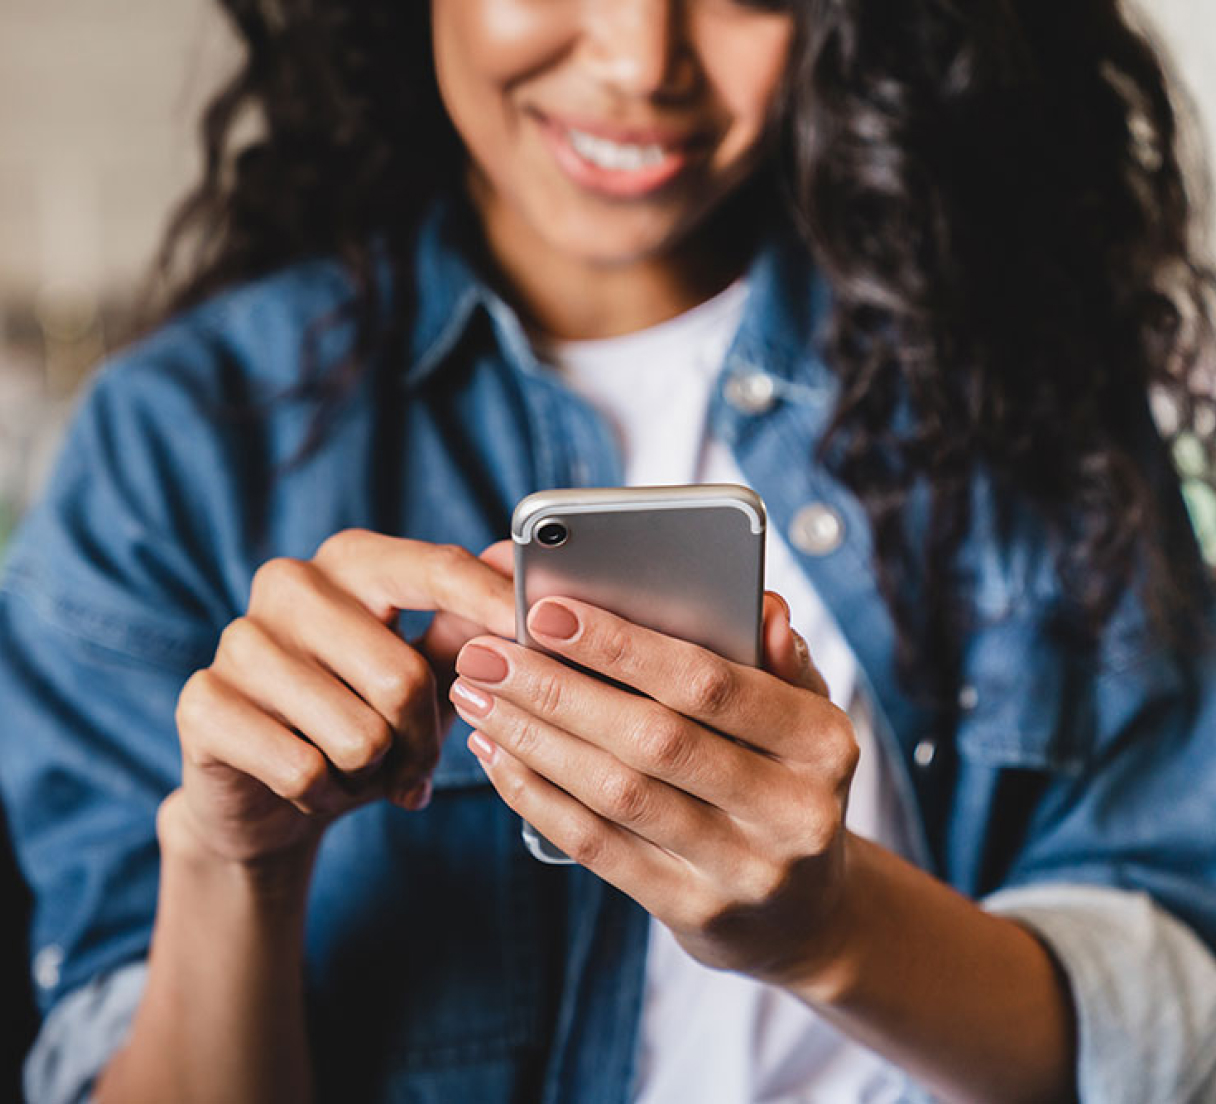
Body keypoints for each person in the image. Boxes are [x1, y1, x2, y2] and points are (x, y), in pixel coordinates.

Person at [2, 1, 1215, 1101]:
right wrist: (232, 864)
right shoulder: (177, 445)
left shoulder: (1020, 385)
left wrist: (832, 929)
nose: (640, 62)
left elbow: (1173, 1019)